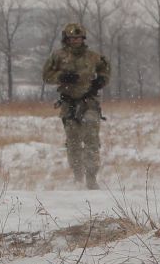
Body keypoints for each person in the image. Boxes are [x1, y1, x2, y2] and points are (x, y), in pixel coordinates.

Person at [42, 22, 111, 189]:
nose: (76, 41)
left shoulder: (93, 57)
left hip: (89, 101)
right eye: (72, 38)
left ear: (83, 39)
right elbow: (46, 76)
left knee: (91, 139)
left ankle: (91, 177)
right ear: (66, 39)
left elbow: (105, 69)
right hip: (69, 103)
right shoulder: (57, 57)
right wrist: (62, 76)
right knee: (73, 142)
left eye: (79, 38)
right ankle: (78, 176)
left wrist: (100, 80)